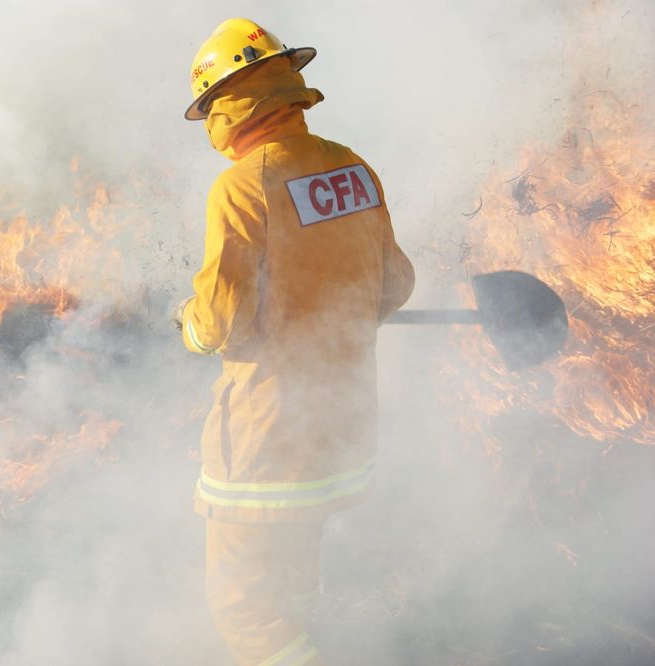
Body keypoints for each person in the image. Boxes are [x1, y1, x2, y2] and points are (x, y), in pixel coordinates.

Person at [175, 18, 415, 666]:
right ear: (288, 84)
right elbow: (396, 285)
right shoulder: (352, 168)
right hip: (341, 434)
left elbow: (221, 320)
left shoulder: (242, 185)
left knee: (245, 611)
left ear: (229, 104)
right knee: (294, 584)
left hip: (266, 445)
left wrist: (190, 327)